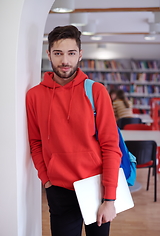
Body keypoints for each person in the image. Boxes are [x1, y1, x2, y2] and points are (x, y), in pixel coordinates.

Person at [26, 25, 122, 236]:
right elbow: (35, 142)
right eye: (58, 53)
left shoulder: (96, 91)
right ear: (49, 53)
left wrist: (110, 198)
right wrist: (46, 179)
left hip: (96, 186)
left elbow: (110, 146)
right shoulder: (34, 96)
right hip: (58, 189)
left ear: (80, 54)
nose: (65, 61)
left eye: (71, 53)